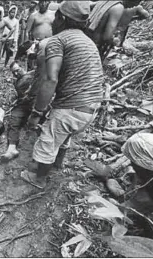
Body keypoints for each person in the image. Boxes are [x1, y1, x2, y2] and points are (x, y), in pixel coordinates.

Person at [21, 1, 104, 189]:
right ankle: (57, 163)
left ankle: (39, 178)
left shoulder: (58, 40)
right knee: (64, 132)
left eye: (56, 17)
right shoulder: (87, 41)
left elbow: (50, 79)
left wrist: (36, 113)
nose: (52, 21)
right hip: (91, 108)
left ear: (63, 19)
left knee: (48, 139)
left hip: (73, 108)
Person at [21, 0, 55, 71]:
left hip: (49, 43)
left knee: (47, 65)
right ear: (39, 3)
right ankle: (30, 80)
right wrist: (27, 45)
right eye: (42, 2)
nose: (43, 4)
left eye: (45, 2)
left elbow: (57, 29)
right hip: (36, 43)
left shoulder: (53, 14)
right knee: (32, 65)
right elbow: (27, 31)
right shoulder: (34, 15)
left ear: (48, 2)